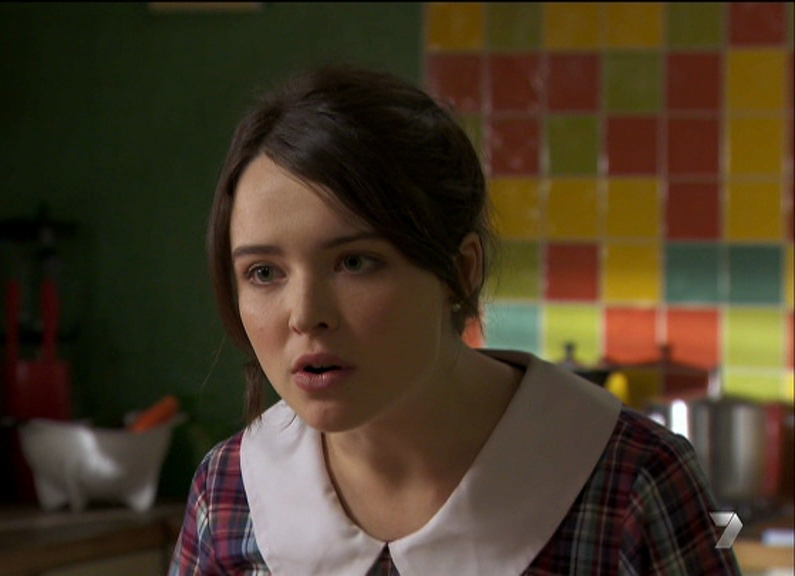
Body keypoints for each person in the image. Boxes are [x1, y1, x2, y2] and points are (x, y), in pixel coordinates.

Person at [170, 65, 741, 575]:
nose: (305, 315)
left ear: (461, 272)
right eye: (264, 273)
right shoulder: (230, 493)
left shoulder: (632, 480)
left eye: (355, 262)